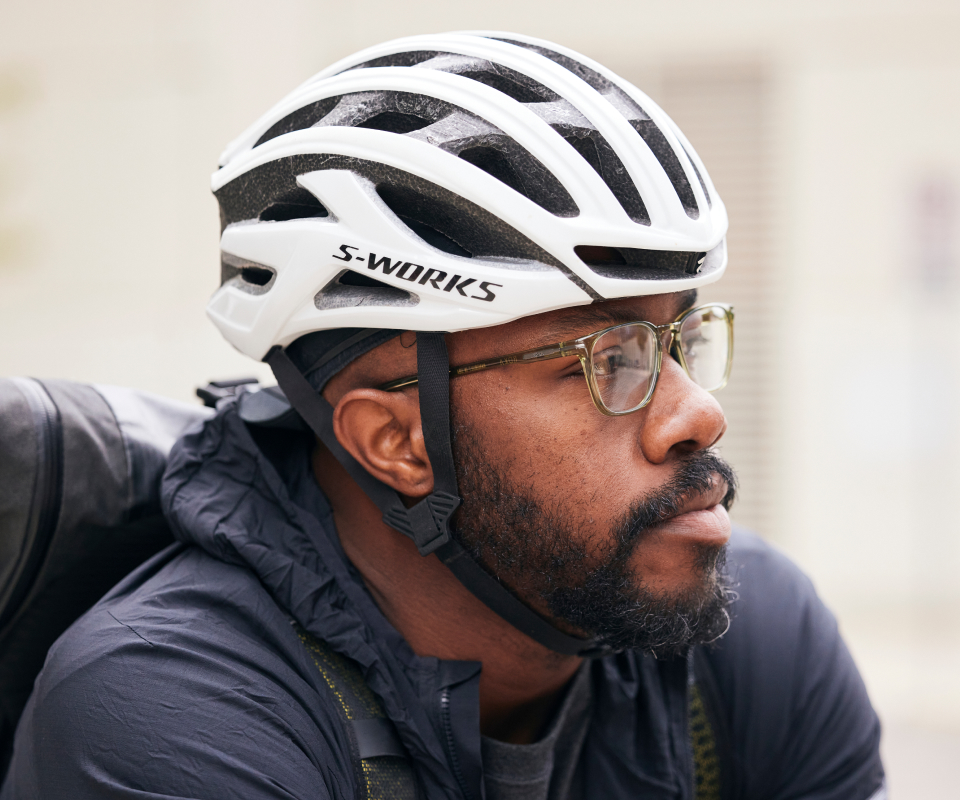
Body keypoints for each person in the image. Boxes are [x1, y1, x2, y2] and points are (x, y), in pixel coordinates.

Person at [1, 32, 885, 799]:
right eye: (609, 360)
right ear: (396, 443)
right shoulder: (166, 719)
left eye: (680, 340)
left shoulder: (747, 630)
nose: (697, 415)